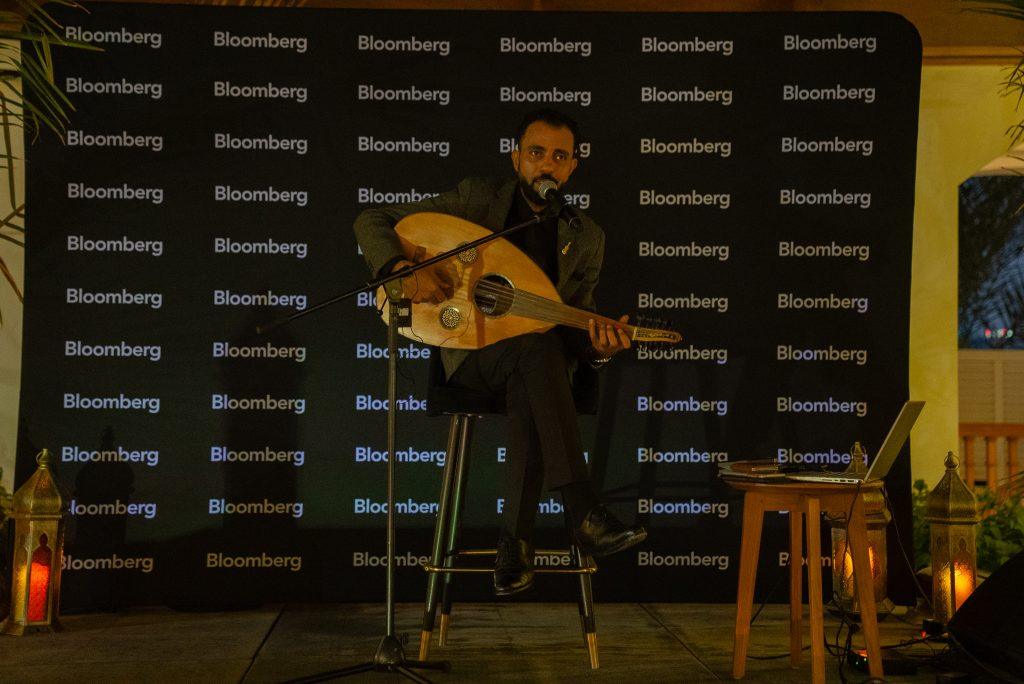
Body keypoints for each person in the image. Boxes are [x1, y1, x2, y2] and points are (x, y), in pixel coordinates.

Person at [354, 108, 646, 596]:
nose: (546, 165)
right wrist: (400, 267)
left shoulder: (586, 237)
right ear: (516, 159)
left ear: (573, 167)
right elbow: (373, 218)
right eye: (536, 153)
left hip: (538, 368)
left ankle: (516, 545)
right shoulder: (477, 200)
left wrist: (598, 350)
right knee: (538, 356)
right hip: (471, 357)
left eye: (559, 156)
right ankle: (582, 512)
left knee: (539, 355)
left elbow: (574, 322)